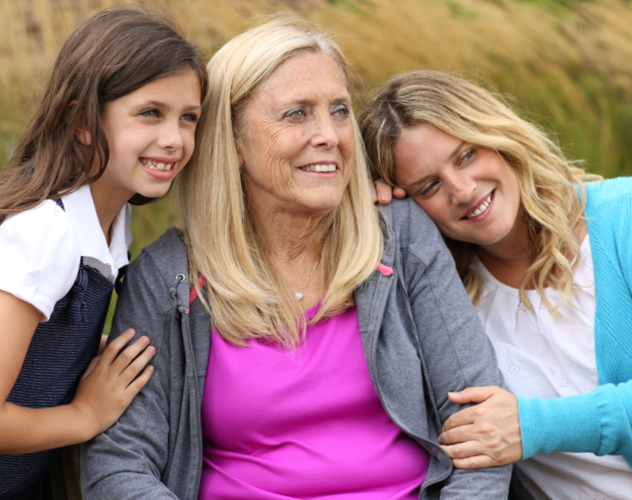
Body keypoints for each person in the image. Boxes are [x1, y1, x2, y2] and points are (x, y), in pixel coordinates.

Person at [81, 18, 511, 500]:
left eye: (340, 110)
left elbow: (479, 424)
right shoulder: (170, 276)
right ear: (235, 141)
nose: (329, 134)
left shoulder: (399, 235)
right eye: (297, 114)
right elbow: (119, 465)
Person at [359, 69, 632, 499]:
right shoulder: (445, 304)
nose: (462, 190)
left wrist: (531, 426)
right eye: (429, 185)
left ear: (498, 136)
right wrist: (361, 209)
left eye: (466, 155)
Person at [0, 8, 207, 499]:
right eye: (149, 113)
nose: (174, 139)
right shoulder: (43, 233)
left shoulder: (108, 222)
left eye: (189, 118)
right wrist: (83, 416)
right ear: (82, 122)